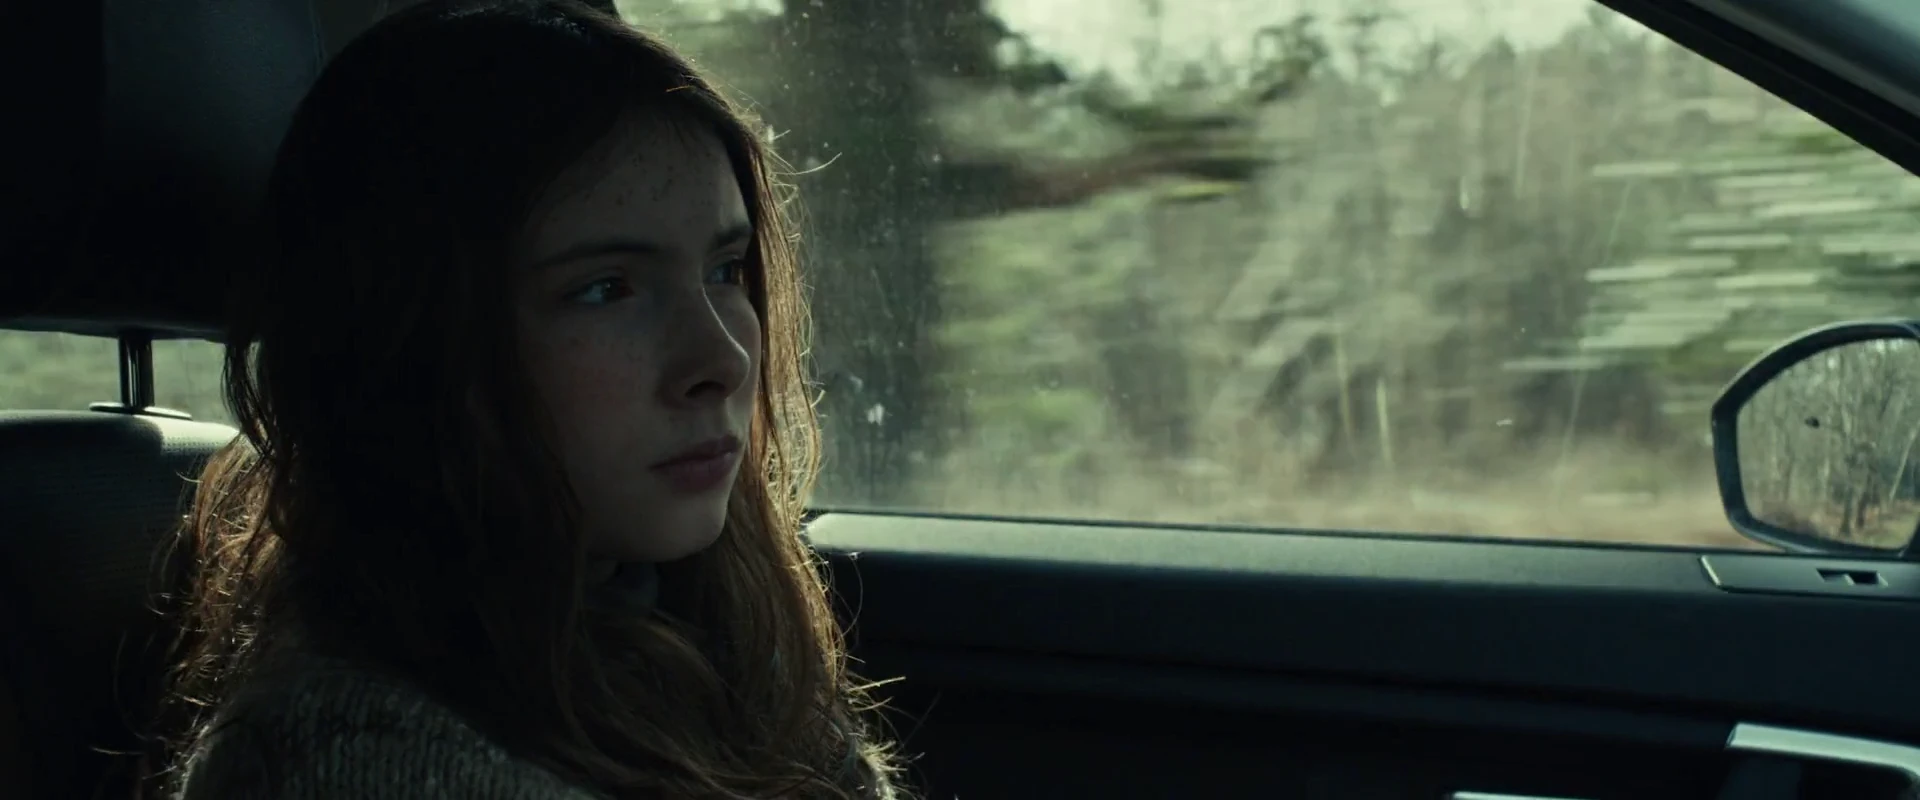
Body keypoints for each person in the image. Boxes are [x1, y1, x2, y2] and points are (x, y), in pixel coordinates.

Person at [158, 1, 909, 797]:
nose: (721, 359)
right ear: (415, 347)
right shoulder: (373, 761)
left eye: (725, 270)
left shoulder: (708, 637)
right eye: (607, 289)